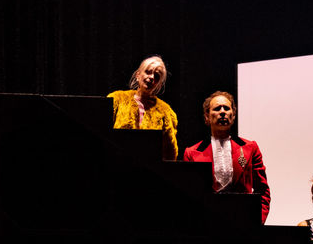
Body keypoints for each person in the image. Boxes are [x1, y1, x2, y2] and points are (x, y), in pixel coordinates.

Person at [182, 90, 270, 223]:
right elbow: (189, 194)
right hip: (207, 223)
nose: (222, 112)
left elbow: (263, 191)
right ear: (207, 116)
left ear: (233, 115)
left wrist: (257, 221)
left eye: (227, 108)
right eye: (217, 108)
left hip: (243, 222)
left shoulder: (251, 148)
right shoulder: (192, 153)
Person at [109, 56, 179, 161]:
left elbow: (170, 153)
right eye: (148, 72)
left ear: (159, 84)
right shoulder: (117, 99)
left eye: (156, 76)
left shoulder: (165, 111)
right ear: (138, 75)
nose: (151, 77)